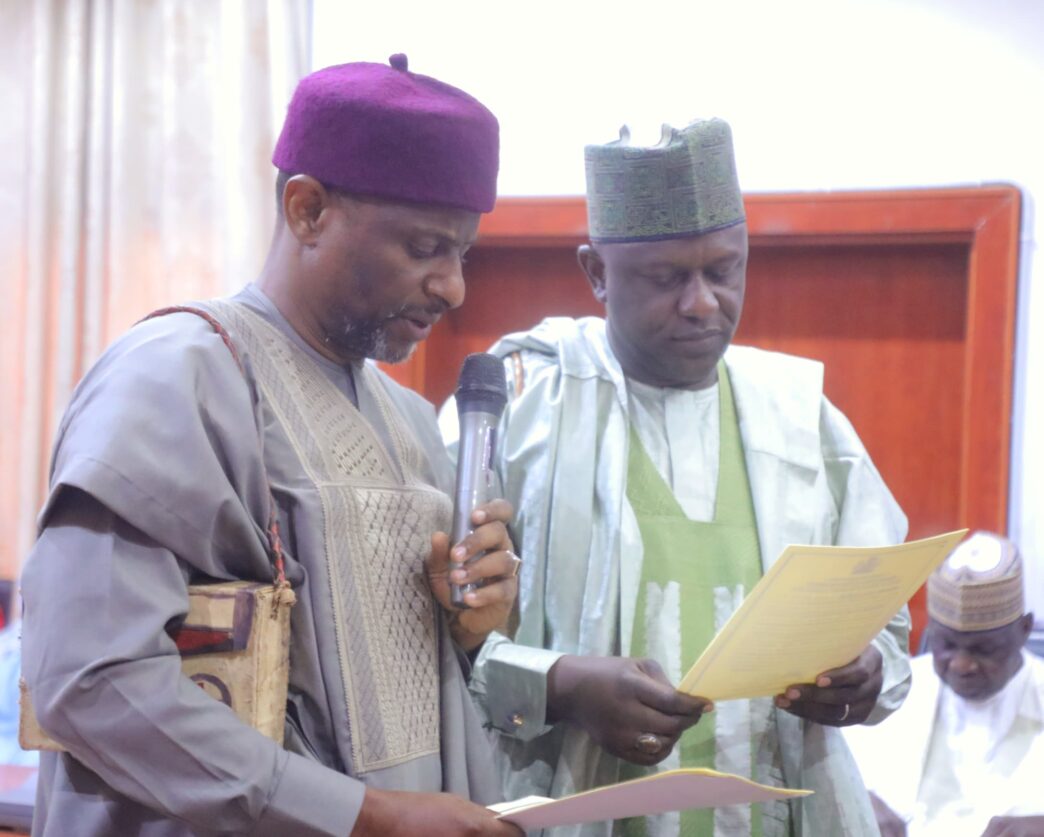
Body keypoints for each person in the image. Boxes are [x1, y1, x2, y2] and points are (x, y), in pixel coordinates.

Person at [20, 56, 523, 837]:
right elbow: (90, 680)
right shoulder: (173, 377)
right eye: (425, 247)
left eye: (463, 253)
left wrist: (465, 624)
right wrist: (366, 817)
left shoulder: (412, 422)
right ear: (308, 209)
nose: (452, 287)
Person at [446, 119, 912, 836]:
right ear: (596, 273)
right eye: (667, 278)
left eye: (724, 270)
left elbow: (886, 621)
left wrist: (867, 674)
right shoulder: (518, 406)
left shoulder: (802, 420)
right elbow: (437, 638)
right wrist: (562, 686)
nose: (702, 303)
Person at [845, 532, 1044, 837]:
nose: (961, 665)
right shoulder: (892, 690)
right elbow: (834, 772)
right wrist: (857, 801)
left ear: (1024, 630)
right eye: (945, 644)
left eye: (984, 649)